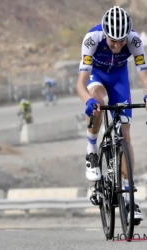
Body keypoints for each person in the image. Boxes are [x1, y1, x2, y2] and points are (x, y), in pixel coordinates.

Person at [76, 6, 147, 223]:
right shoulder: (92, 39)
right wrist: (87, 100)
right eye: (112, 41)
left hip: (118, 78)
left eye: (121, 41)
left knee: (125, 135)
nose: (117, 46)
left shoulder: (135, 41)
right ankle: (91, 150)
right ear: (105, 34)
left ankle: (129, 196)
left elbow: (144, 76)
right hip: (96, 75)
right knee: (97, 102)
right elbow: (80, 82)